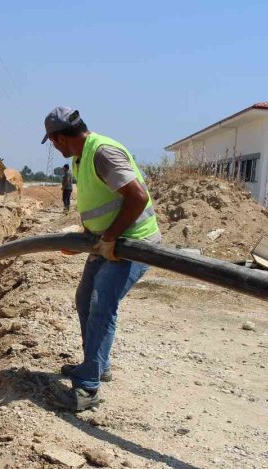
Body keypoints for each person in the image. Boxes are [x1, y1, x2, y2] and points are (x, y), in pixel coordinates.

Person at [41, 106, 161, 411]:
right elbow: (103, 203)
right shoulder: (82, 157)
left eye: (53, 142)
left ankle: (88, 389)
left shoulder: (102, 152)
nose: (55, 148)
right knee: (85, 298)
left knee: (101, 304)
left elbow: (137, 197)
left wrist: (109, 239)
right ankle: (97, 365)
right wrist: (85, 239)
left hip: (133, 243)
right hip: (107, 242)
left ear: (60, 139)